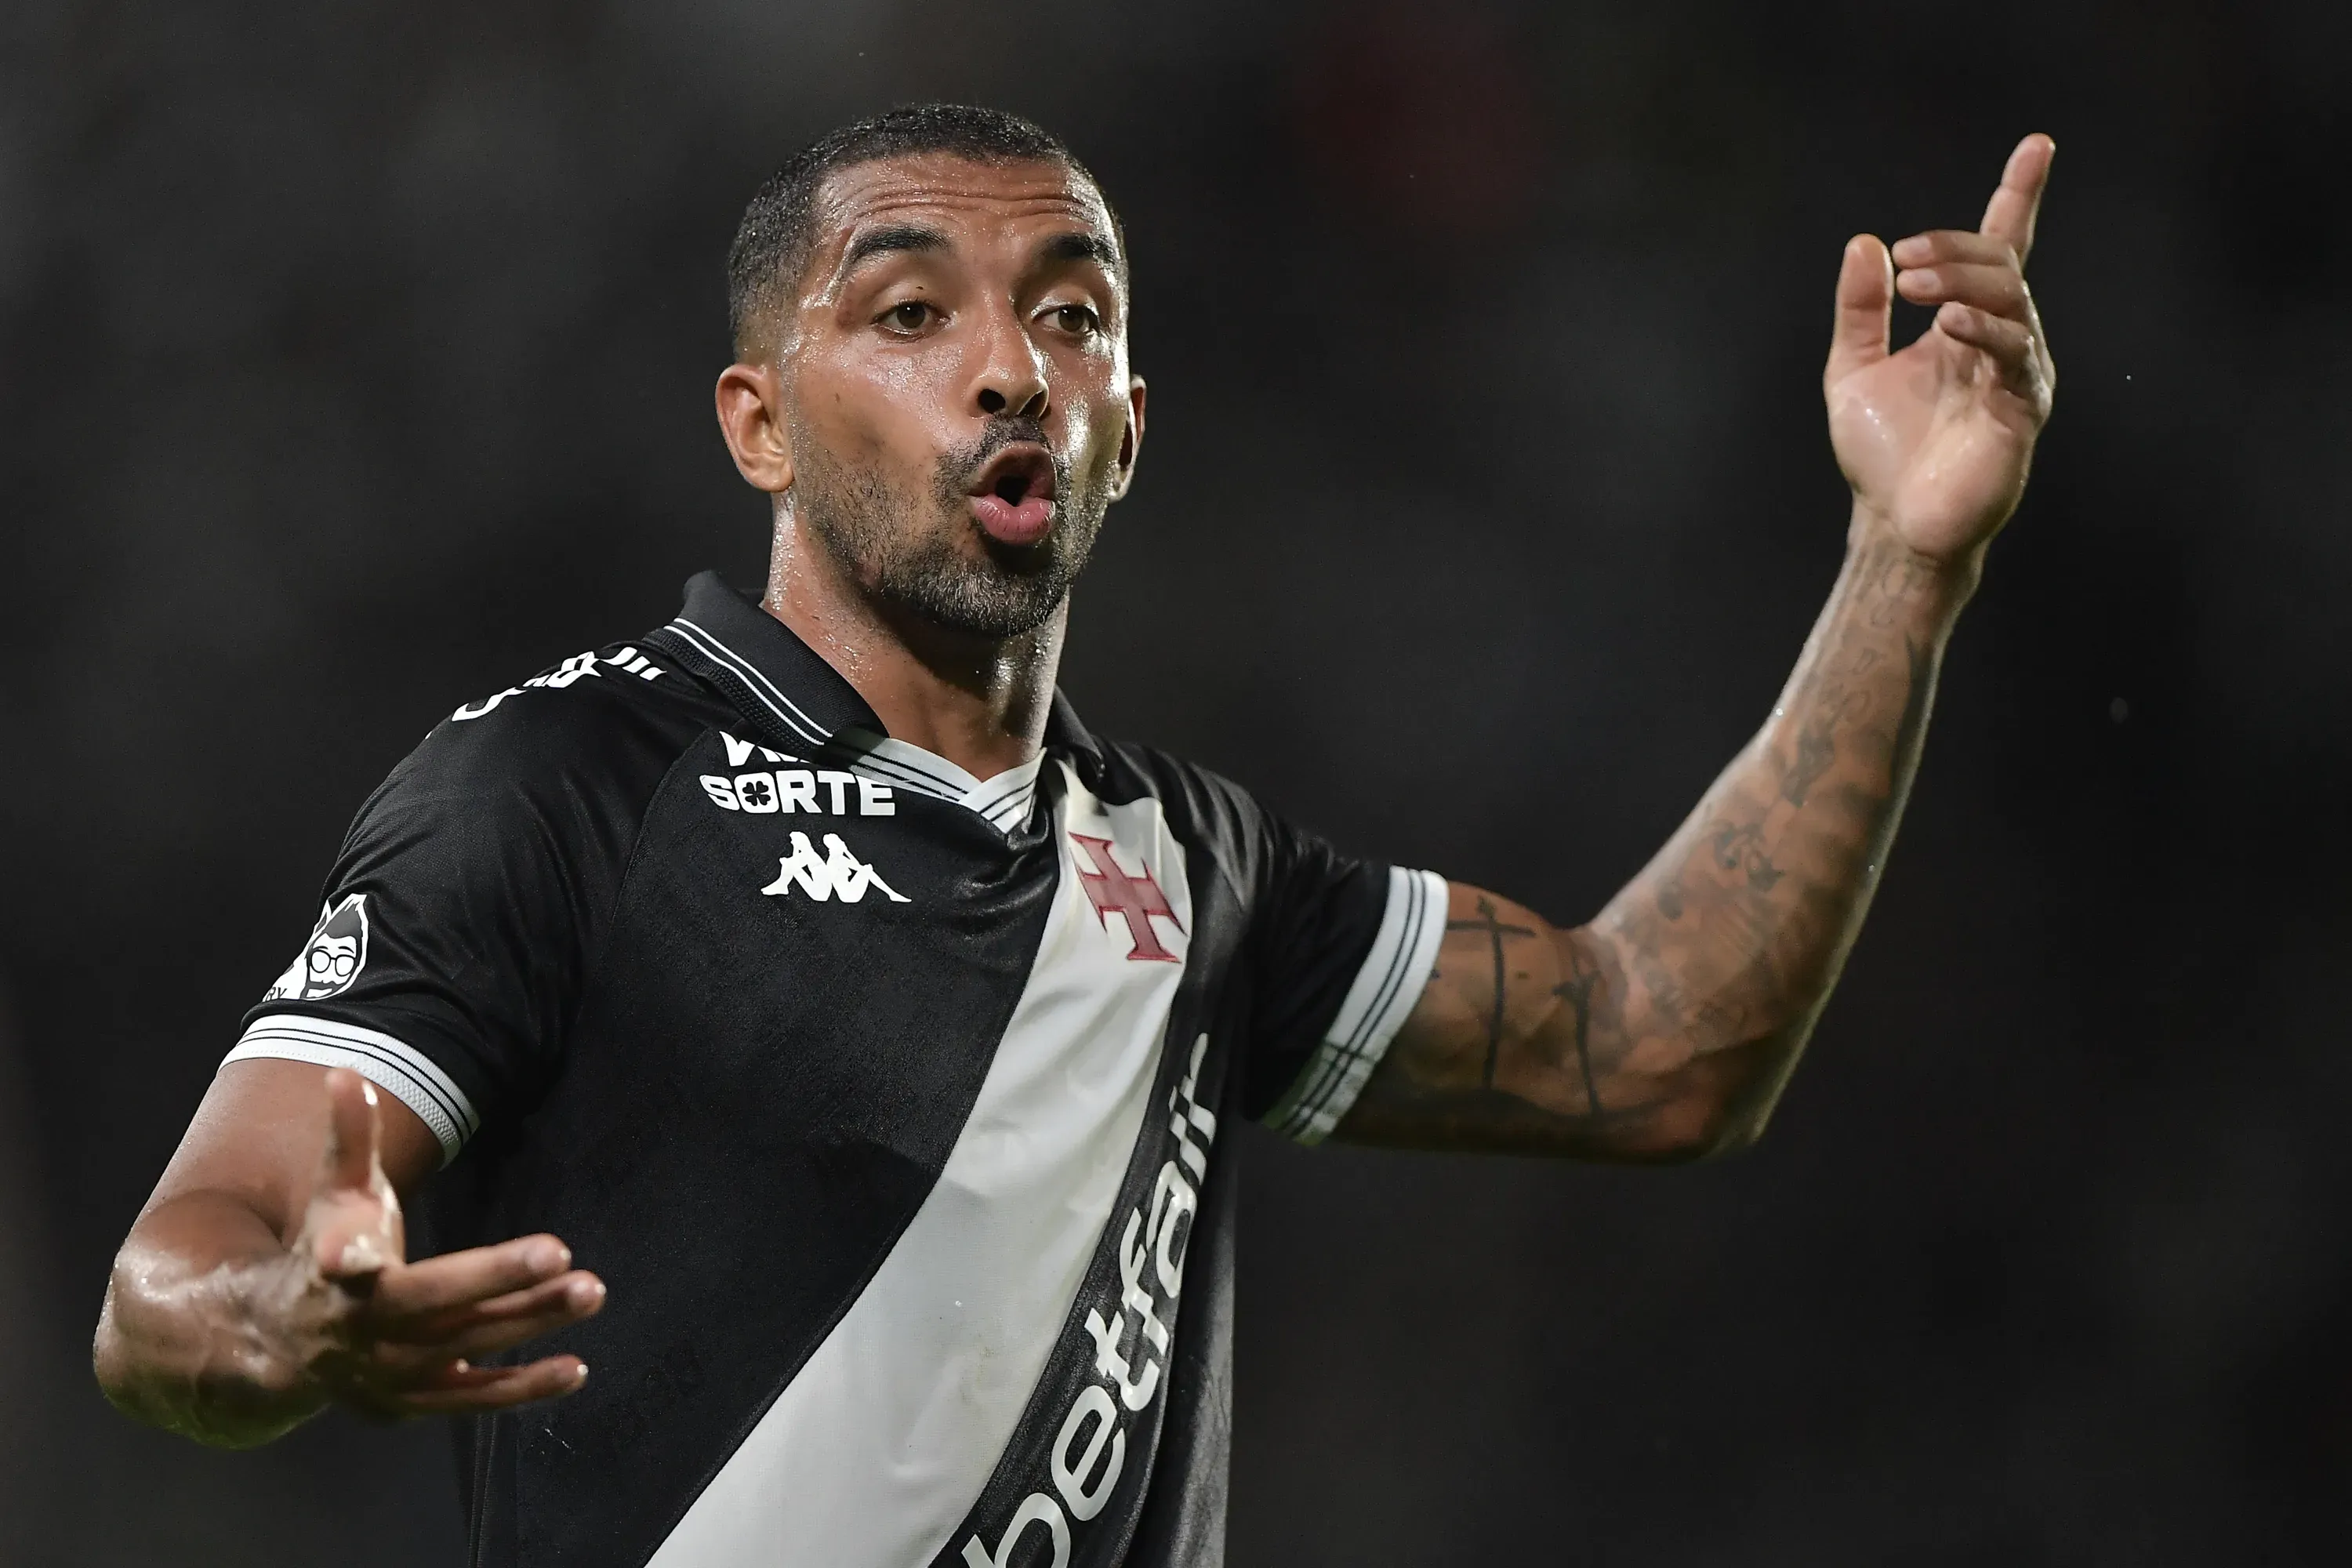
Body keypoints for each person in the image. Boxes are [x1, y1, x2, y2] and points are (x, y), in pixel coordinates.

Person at [92, 104, 2056, 1567]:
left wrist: (1905, 561)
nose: (1010, 363)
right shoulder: (563, 790)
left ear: (1129, 419)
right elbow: (171, 1278)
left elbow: (1659, 1043)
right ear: (758, 422)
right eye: (909, 311)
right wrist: (284, 1311)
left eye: (1073, 314)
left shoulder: (1196, 873)